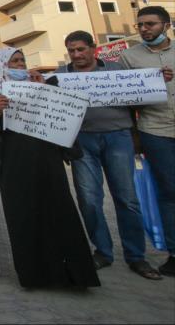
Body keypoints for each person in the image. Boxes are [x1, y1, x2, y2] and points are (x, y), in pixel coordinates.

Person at [0, 46, 99, 288]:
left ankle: (73, 274)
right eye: (14, 61)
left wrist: (44, 90)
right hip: (12, 158)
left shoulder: (42, 83)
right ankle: (35, 276)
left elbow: (63, 114)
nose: (20, 65)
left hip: (46, 156)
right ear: (1, 64)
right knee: (23, 213)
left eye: (22, 60)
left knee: (59, 208)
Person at [52, 31, 160, 279]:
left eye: (81, 49)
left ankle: (136, 256)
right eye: (72, 50)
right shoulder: (60, 76)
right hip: (82, 142)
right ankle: (102, 251)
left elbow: (140, 98)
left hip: (118, 138)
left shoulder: (116, 69)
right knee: (89, 200)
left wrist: (155, 81)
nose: (77, 55)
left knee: (127, 199)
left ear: (93, 48)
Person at [118, 6, 175, 276]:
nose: (144, 29)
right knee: (169, 192)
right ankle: (173, 253)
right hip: (155, 131)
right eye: (140, 25)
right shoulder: (129, 57)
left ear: (166, 25)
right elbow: (127, 99)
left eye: (150, 24)